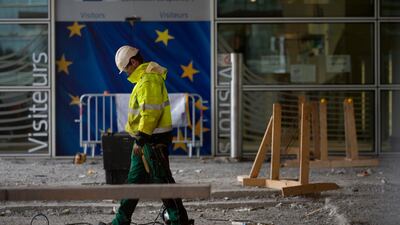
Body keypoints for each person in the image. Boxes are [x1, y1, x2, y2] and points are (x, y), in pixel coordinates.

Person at [99, 45, 190, 225]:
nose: (126, 73)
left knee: (162, 182)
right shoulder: (145, 79)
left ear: (133, 62)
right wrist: (140, 139)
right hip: (147, 139)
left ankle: (179, 220)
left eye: (126, 69)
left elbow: (150, 114)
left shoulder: (148, 80)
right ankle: (120, 221)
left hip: (152, 140)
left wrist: (140, 140)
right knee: (135, 181)